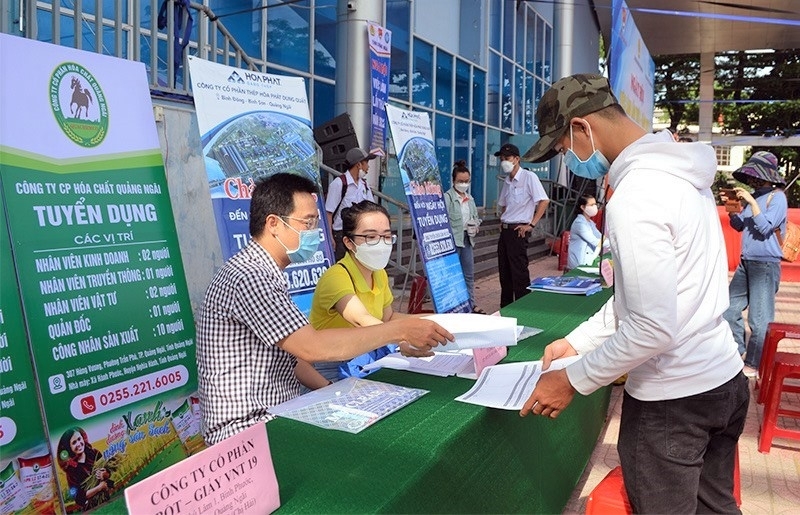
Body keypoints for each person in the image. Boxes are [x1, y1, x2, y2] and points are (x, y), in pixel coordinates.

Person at [519, 74, 747, 513]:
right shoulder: (684, 175)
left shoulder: (637, 195)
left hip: (673, 401)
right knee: (716, 507)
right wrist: (579, 340)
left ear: (583, 128)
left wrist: (571, 379)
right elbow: (652, 295)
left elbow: (650, 326)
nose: (569, 160)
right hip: (722, 378)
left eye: (565, 148)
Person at [196, 173, 453, 445]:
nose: (315, 232)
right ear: (273, 223)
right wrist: (398, 331)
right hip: (246, 430)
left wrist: (331, 390)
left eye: (315, 222)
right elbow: (312, 348)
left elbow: (291, 358)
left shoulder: (266, 273)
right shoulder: (251, 277)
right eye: (307, 223)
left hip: (278, 413)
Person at [311, 200, 409, 382]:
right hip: (333, 366)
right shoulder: (336, 277)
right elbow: (361, 319)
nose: (382, 244)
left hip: (368, 356)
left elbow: (387, 318)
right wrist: (403, 337)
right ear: (349, 242)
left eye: (387, 236)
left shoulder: (379, 273)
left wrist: (434, 323)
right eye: (371, 237)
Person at [721, 151, 787, 376]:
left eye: (757, 177)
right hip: (746, 262)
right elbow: (741, 226)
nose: (752, 181)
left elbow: (766, 226)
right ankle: (737, 351)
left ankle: (755, 363)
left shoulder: (777, 197)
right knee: (728, 308)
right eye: (750, 177)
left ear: (769, 177)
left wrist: (751, 202)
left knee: (759, 320)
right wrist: (732, 209)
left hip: (765, 265)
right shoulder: (754, 198)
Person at [495, 143, 550, 307]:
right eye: (502, 159)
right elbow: (504, 203)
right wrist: (502, 220)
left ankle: (523, 308)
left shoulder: (528, 177)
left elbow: (544, 200)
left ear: (517, 159)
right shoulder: (507, 181)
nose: (504, 161)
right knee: (504, 273)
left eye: (508, 158)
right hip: (505, 231)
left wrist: (531, 225)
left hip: (519, 230)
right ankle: (505, 308)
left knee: (519, 273)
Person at [444, 160, 484, 313]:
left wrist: (476, 225)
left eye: (466, 181)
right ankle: (452, 307)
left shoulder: (470, 199)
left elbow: (475, 216)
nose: (463, 184)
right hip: (453, 241)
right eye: (460, 181)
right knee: (452, 275)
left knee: (468, 275)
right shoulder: (447, 198)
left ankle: (471, 305)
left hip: (467, 239)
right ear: (453, 181)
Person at [325, 147, 377, 261]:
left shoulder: (364, 185)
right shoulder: (339, 184)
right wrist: (330, 238)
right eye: (366, 163)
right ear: (358, 165)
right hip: (340, 236)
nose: (368, 167)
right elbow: (328, 213)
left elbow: (371, 209)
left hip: (359, 235)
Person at [56, 427, 113, 510]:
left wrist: (105, 474)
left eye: (79, 439)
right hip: (91, 507)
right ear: (69, 448)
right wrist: (99, 488)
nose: (79, 444)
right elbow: (78, 498)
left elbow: (108, 473)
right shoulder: (71, 470)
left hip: (107, 499)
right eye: (74, 442)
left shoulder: (94, 453)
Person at [567, 194, 607, 270]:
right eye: (591, 205)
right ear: (582, 207)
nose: (595, 207)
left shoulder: (590, 223)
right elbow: (595, 241)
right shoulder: (579, 224)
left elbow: (601, 237)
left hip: (589, 258)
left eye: (595, 204)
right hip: (580, 263)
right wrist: (614, 243)